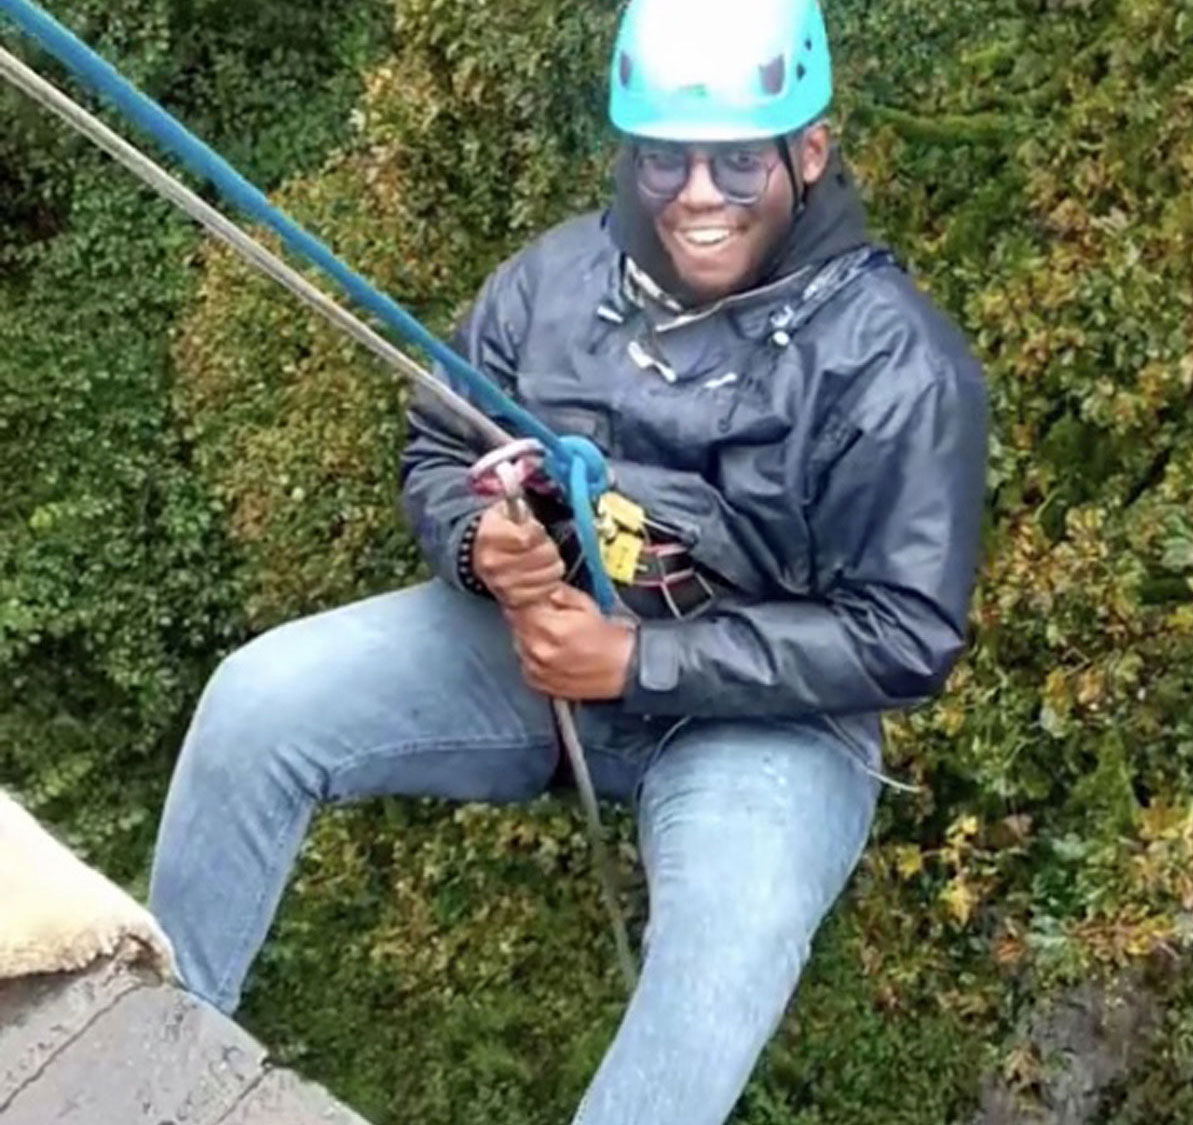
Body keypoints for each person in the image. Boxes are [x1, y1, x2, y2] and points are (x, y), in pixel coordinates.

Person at [147, 0, 988, 1120]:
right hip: (542, 652)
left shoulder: (899, 368)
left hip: (774, 720)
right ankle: (142, 1064)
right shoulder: (551, 286)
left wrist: (635, 663)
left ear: (810, 153)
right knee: (258, 704)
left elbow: (903, 634)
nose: (696, 196)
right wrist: (480, 543)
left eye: (738, 163)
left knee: (719, 959)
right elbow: (444, 441)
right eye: (664, 161)